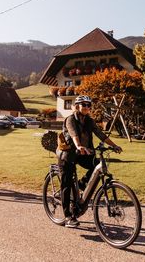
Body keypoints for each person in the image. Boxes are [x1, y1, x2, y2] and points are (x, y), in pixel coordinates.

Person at [57, 95, 122, 228]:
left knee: (97, 165)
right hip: (68, 155)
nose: (87, 107)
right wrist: (79, 145)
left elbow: (100, 134)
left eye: (89, 105)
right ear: (77, 106)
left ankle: (82, 183)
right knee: (67, 184)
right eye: (84, 104)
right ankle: (68, 216)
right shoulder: (70, 119)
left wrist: (114, 145)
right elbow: (74, 134)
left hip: (83, 153)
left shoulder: (89, 121)